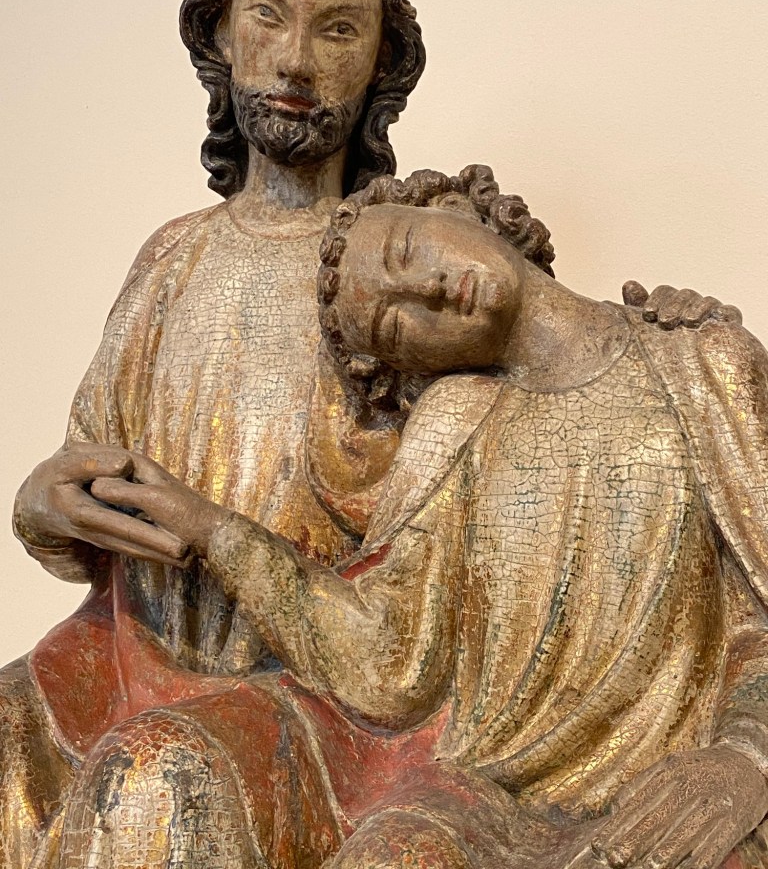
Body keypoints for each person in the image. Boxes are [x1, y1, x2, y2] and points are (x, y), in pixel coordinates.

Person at [0, 0, 738, 866]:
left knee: (160, 780)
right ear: (220, 33)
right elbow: (98, 484)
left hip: (305, 691)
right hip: (129, 644)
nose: (297, 61)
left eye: (338, 29)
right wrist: (46, 507)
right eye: (268, 16)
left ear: (383, 59)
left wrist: (667, 331)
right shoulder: (171, 260)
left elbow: (534, 412)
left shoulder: (402, 283)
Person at [66, 169, 768, 868]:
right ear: (404, 367)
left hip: (658, 794)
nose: (427, 289)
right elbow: (389, 661)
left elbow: (756, 620)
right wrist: (210, 529)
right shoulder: (451, 423)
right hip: (476, 801)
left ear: (455, 207)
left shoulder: (703, 364)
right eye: (394, 323)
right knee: (391, 856)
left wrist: (745, 757)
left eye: (405, 248)